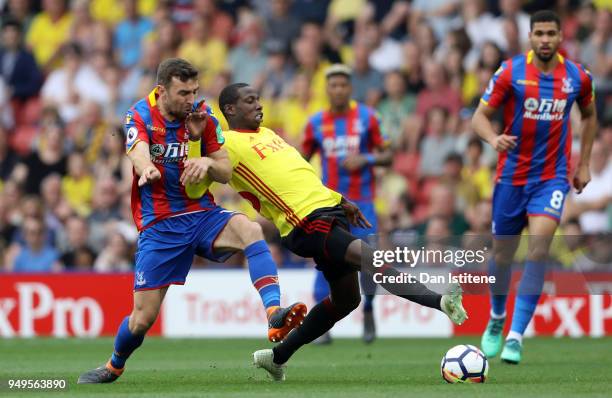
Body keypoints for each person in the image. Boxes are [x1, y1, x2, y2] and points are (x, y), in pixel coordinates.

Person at [216, 82, 467, 381]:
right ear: (230, 109)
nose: (259, 105)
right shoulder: (227, 144)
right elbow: (204, 151)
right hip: (303, 223)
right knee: (370, 259)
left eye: (258, 99)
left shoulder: (268, 134)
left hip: (327, 209)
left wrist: (340, 200)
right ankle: (439, 301)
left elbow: (299, 175)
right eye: (249, 101)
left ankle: (277, 357)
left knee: (348, 300)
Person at [78, 59, 306, 384]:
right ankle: (114, 365)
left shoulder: (203, 114)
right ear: (162, 91)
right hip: (160, 226)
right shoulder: (140, 114)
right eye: (183, 92)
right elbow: (138, 151)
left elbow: (225, 171)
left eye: (194, 91)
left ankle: (273, 313)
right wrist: (147, 168)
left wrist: (205, 162)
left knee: (250, 229)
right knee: (142, 320)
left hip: (201, 214)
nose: (191, 98)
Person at [471, 10, 598, 364]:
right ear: (530, 36)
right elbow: (478, 116)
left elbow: (589, 115)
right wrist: (493, 139)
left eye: (551, 33)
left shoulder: (576, 76)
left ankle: (516, 336)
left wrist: (584, 162)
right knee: (501, 256)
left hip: (551, 177)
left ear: (560, 37)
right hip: (511, 178)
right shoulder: (510, 71)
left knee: (539, 248)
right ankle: (497, 317)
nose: (545, 39)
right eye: (539, 33)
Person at [302, 64, 392, 344]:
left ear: (350, 88)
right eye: (333, 85)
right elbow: (298, 161)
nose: (338, 90)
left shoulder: (368, 117)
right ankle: (323, 326)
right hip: (329, 205)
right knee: (326, 260)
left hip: (362, 203)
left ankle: (367, 309)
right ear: (327, 89)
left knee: (369, 261)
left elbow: (388, 155)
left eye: (343, 85)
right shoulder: (315, 123)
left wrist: (366, 159)